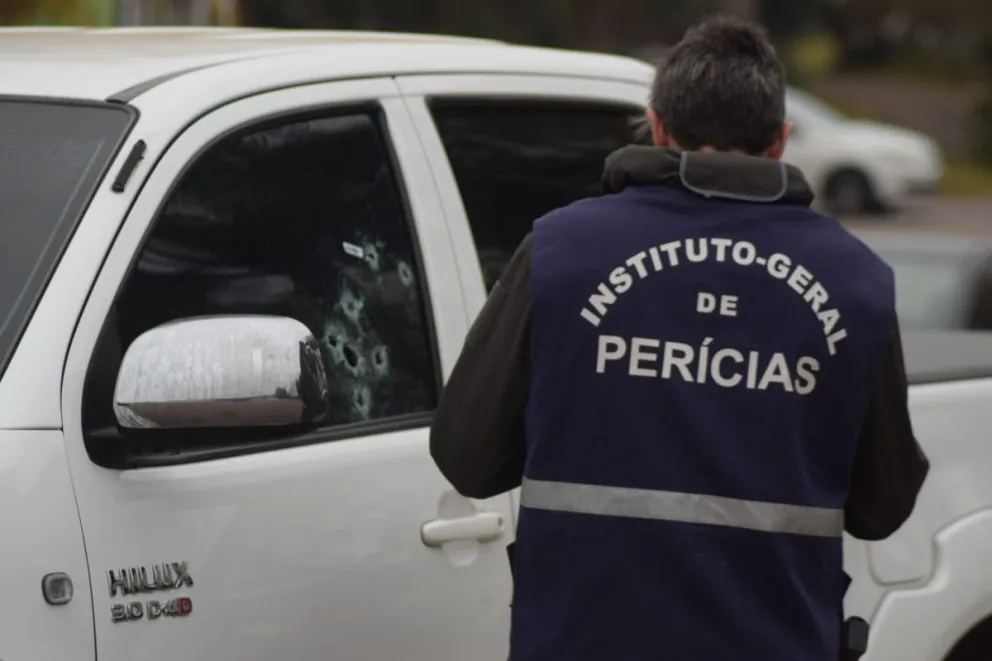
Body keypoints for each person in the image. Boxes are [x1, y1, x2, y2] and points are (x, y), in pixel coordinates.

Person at [429, 16, 929, 661]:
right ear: (781, 141)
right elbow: (883, 506)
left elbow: (467, 456)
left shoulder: (561, 251)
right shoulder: (856, 280)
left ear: (659, 127)